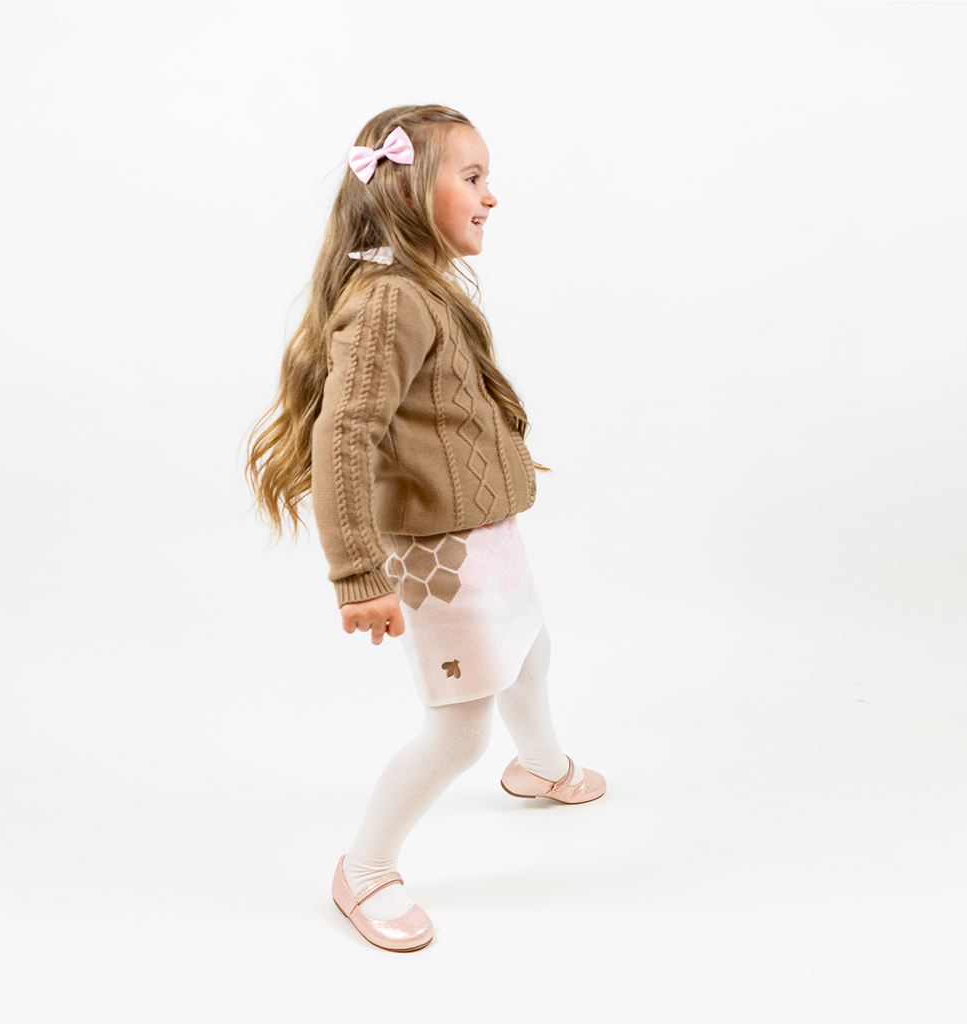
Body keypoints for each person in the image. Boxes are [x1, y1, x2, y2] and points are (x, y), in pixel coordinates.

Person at [247, 104, 605, 952]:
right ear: (410, 191)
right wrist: (358, 574)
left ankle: (541, 767)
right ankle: (365, 869)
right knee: (459, 730)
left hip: (481, 536)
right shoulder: (387, 304)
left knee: (531, 652)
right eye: (473, 178)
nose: (491, 197)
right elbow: (344, 436)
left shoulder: (422, 289)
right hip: (438, 556)